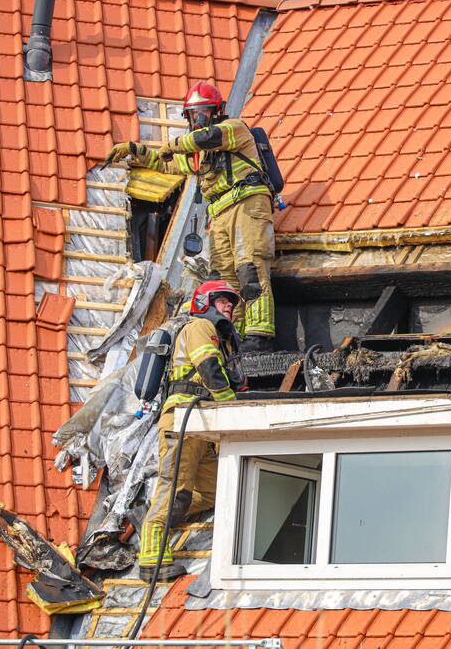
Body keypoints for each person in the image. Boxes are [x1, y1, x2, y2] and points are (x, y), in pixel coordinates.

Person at [107, 82, 276, 352]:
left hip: (247, 203)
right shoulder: (199, 156)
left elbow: (200, 139)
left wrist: (172, 145)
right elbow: (166, 163)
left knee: (250, 268)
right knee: (223, 279)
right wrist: (136, 150)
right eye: (193, 115)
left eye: (202, 114)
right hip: (220, 211)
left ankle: (259, 336)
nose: (197, 121)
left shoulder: (233, 129)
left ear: (216, 112)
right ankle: (236, 335)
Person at [136, 279, 244, 582]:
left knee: (213, 491)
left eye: (232, 304)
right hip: (182, 419)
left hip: (203, 423)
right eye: (223, 301)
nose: (229, 307)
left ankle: (156, 512)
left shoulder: (221, 339)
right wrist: (233, 409)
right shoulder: (199, 327)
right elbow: (209, 369)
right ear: (205, 303)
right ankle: (152, 556)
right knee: (175, 489)